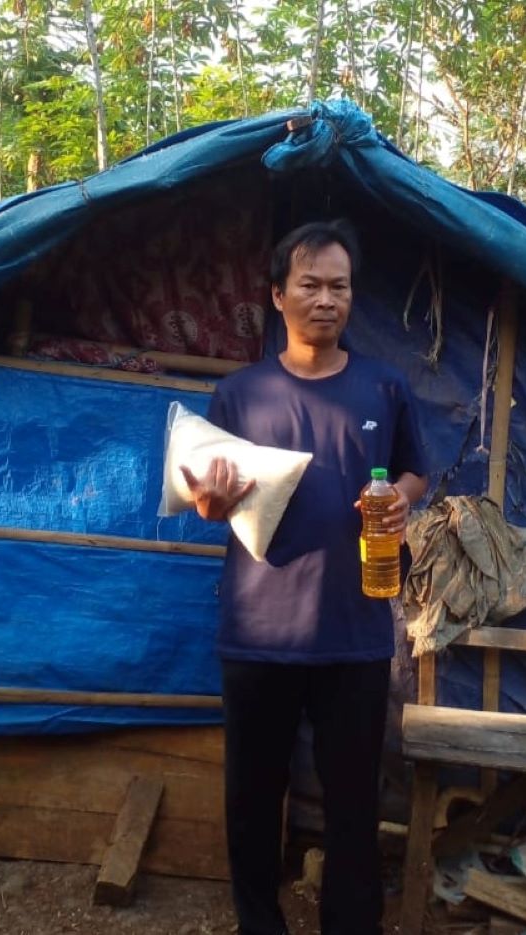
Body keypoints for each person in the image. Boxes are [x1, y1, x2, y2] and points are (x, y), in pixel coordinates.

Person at [182, 220, 429, 935]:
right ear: (277, 295)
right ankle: (260, 923)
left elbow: (417, 469)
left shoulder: (383, 386)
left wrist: (399, 499)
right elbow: (206, 502)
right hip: (259, 633)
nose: (326, 299)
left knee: (354, 803)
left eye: (340, 286)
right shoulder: (240, 394)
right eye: (311, 284)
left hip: (354, 632)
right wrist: (212, 496)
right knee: (253, 800)